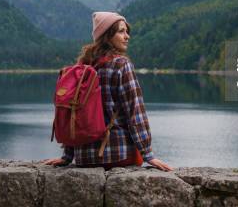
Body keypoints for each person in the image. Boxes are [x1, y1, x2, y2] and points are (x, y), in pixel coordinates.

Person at [43, 11, 172, 171]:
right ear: (107, 35)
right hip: (119, 156)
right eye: (121, 31)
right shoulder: (121, 65)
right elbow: (135, 112)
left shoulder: (82, 68)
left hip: (84, 158)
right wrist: (148, 154)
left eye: (127, 31)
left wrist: (67, 156)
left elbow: (73, 115)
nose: (127, 36)